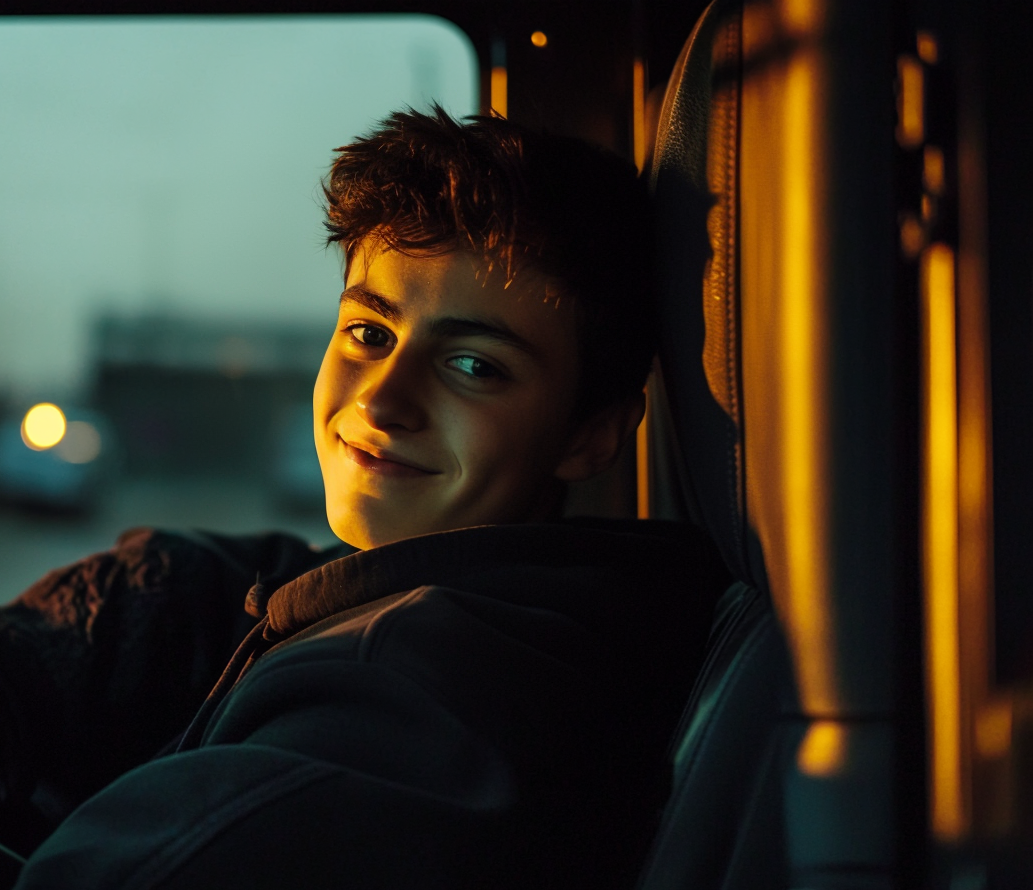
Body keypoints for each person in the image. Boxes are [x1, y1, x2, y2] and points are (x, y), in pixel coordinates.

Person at [0, 107, 728, 889]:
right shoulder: (442, 596)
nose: (381, 403)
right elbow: (219, 586)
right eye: (369, 334)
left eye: (473, 366)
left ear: (591, 434)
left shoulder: (424, 710)